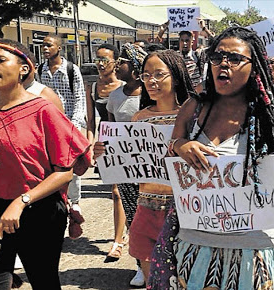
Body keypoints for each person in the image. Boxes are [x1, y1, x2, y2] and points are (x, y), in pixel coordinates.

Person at [169, 26, 274, 289]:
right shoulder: (193, 109)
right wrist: (181, 145)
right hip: (197, 249)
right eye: (217, 57)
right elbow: (170, 157)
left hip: (259, 253)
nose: (223, 64)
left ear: (254, 66)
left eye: (235, 59)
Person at [0, 39, 91, 289]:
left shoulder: (43, 110)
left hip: (39, 211)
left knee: (43, 281)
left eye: (1, 60)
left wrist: (22, 201)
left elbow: (65, 172)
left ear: (23, 69)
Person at [94, 49, 193, 287]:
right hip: (146, 210)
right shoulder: (139, 118)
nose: (152, 81)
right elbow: (128, 164)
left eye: (159, 74)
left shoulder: (192, 116)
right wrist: (104, 154)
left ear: (176, 76)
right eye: (147, 75)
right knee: (154, 283)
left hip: (185, 212)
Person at [103, 43, 147, 287]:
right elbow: (110, 127)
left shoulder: (150, 94)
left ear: (136, 68)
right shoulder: (115, 95)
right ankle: (140, 264)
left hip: (150, 167)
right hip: (125, 164)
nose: (117, 65)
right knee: (133, 215)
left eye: (123, 62)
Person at [39, 34, 87, 234]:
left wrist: (73, 126)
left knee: (71, 165)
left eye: (49, 45)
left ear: (59, 47)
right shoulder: (40, 70)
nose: (45, 49)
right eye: (43, 46)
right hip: (48, 125)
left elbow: (79, 98)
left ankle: (74, 203)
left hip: (68, 125)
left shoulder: (71, 70)